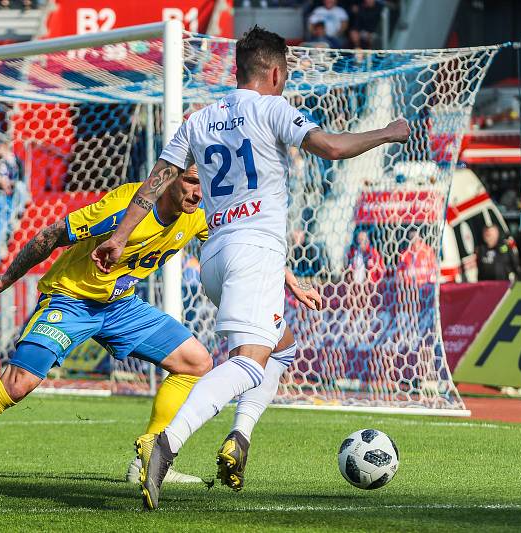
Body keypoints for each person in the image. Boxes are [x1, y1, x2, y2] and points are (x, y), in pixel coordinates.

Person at [92, 25, 409, 509]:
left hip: (215, 255)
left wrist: (118, 237)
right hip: (253, 250)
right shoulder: (273, 108)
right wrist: (388, 132)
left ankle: (239, 436)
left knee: (281, 347)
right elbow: (333, 148)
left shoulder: (199, 120)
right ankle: (167, 442)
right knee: (247, 362)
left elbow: (154, 184)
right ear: (276, 72)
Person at [0, 167, 215, 487]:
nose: (198, 193)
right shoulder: (123, 207)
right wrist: (5, 280)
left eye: (205, 183)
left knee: (195, 362)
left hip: (120, 305)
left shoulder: (200, 212)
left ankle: (150, 460)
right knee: (17, 384)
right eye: (191, 181)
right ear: (169, 176)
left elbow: (225, 239)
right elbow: (49, 235)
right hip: (70, 299)